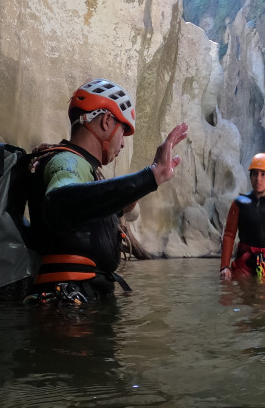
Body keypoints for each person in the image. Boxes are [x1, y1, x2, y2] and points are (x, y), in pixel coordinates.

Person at [27, 78, 189, 302]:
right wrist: (152, 175)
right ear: (106, 121)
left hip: (78, 302)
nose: (122, 143)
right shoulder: (68, 162)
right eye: (123, 130)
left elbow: (90, 207)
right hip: (69, 310)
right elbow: (60, 203)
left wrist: (133, 194)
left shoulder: (81, 167)